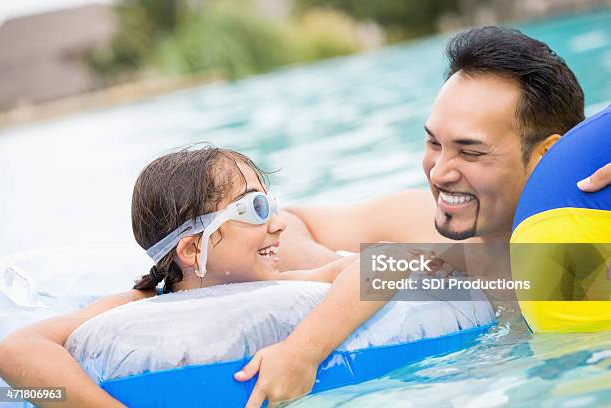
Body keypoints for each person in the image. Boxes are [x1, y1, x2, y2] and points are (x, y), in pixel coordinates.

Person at [235, 26, 611, 407]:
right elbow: (292, 225)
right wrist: (345, 270)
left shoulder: (591, 260)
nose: (438, 172)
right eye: (434, 143)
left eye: (470, 153)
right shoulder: (417, 222)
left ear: (545, 156)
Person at [0, 146, 373, 407]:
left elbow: (390, 265)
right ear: (193, 249)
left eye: (271, 204)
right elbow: (15, 350)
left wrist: (301, 354)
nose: (278, 224)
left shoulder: (283, 288)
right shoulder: (135, 307)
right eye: (256, 208)